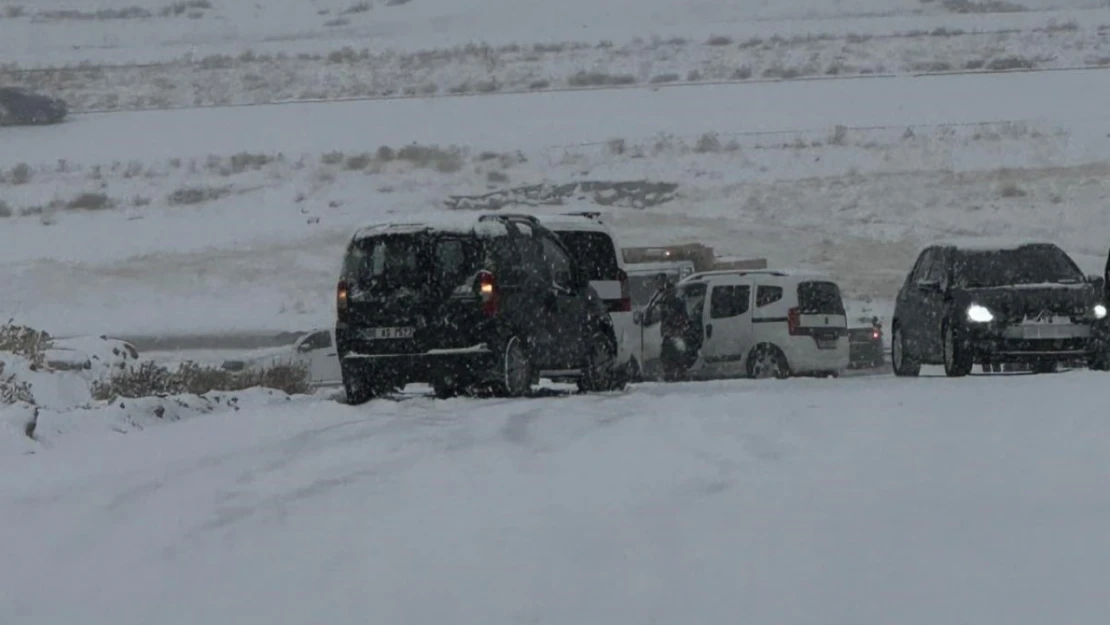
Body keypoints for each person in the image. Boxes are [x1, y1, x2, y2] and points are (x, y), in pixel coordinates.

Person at [654, 274, 689, 381]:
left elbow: (674, 317)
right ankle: (676, 375)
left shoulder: (670, 300)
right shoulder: (670, 298)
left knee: (671, 356)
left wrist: (670, 327)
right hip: (674, 333)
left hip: (673, 333)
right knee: (674, 356)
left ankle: (674, 376)